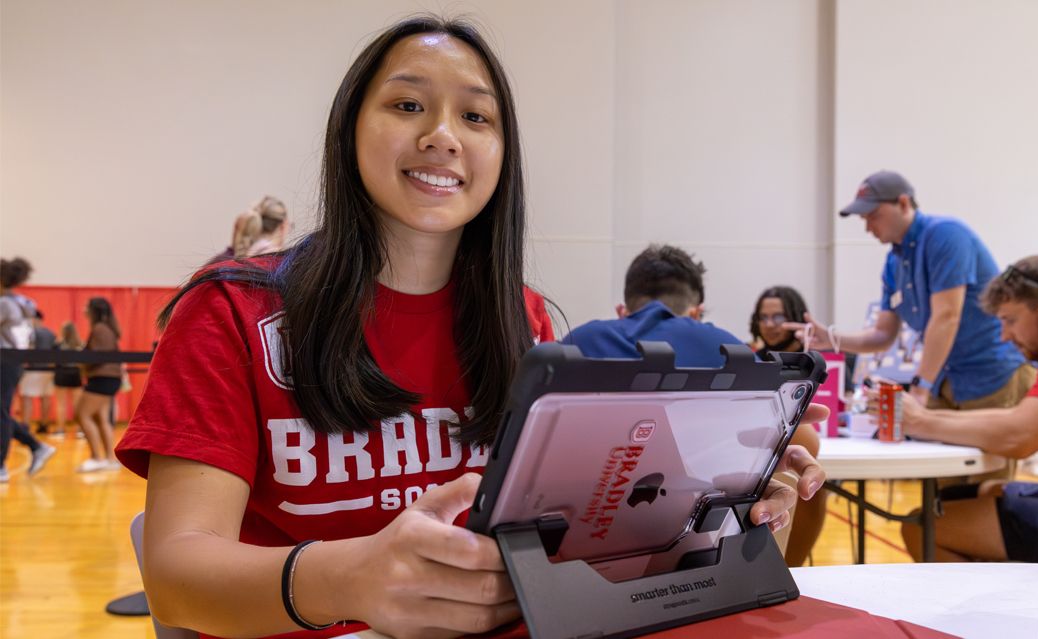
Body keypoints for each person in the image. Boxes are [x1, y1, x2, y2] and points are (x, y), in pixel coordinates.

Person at [113, 19, 824, 639]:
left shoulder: (526, 319)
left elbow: (574, 547)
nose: (442, 136)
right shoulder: (232, 313)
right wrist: (346, 579)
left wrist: (728, 500)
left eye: (476, 118)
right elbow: (177, 575)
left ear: (502, 154)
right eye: (408, 103)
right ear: (350, 130)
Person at [563, 245, 827, 567]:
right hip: (696, 553)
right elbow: (788, 436)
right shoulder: (726, 346)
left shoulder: (577, 342)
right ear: (696, 313)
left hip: (580, 546)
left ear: (622, 310)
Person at [877, 256, 1038, 564]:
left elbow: (1019, 437)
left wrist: (922, 423)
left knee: (922, 528)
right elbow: (1017, 417)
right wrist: (924, 418)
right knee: (982, 491)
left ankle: (988, 611)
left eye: (1010, 320)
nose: (1005, 336)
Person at [788, 171, 1035, 412]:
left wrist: (919, 387)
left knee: (988, 454)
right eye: (863, 220)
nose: (868, 228)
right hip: (947, 384)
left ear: (903, 203)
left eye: (873, 215)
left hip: (994, 378)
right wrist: (832, 339)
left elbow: (947, 317)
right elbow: (883, 335)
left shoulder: (946, 235)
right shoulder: (893, 264)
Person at [0, 257, 56, 483]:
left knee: (2, 412)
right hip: (15, 361)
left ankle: (2, 465)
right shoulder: (25, 302)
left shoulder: (5, 303)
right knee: (1, 411)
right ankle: (36, 445)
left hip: (4, 361)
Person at [75, 297, 124, 472]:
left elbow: (99, 356)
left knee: (82, 415)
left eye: (86, 306)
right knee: (101, 418)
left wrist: (81, 360)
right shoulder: (105, 328)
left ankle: (97, 457)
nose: (83, 309)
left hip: (103, 378)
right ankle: (110, 459)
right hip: (108, 378)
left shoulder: (99, 329)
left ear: (93, 310)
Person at [20, 310, 56, 433]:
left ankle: (25, 425)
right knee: (45, 397)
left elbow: (27, 350)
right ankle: (44, 424)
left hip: (31, 369)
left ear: (34, 319)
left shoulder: (30, 333)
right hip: (48, 370)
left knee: (27, 398)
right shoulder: (51, 334)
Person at [52, 321, 85, 436]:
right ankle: (80, 430)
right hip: (75, 374)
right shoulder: (80, 345)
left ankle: (60, 430)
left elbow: (52, 362)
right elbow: (84, 363)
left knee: (61, 403)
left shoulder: (57, 345)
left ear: (63, 332)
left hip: (61, 374)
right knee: (77, 404)